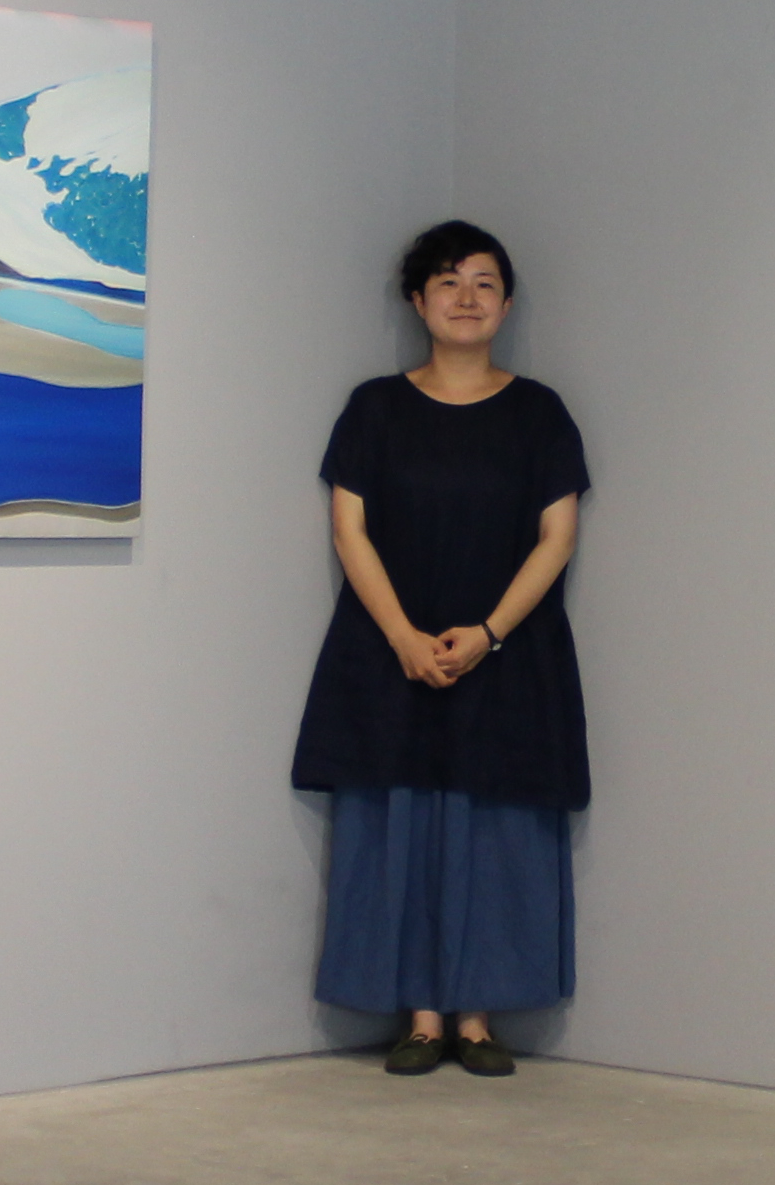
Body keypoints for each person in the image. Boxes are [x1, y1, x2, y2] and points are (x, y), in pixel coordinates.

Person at [292, 220, 590, 1077]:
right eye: (449, 282)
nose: (467, 298)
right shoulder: (374, 409)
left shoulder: (540, 414)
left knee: (497, 830)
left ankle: (477, 1019)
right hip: (390, 652)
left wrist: (489, 633)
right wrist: (402, 637)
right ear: (418, 301)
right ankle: (420, 1017)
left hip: (511, 655)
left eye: (485, 283)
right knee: (397, 825)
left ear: (507, 304)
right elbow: (349, 530)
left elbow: (557, 537)